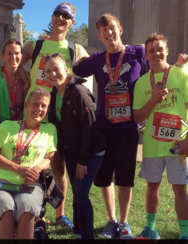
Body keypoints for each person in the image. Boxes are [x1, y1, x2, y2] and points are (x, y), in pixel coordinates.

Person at [73, 13, 150, 239]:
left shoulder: (138, 52)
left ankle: (125, 222)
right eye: (104, 30)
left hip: (128, 127)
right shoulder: (97, 58)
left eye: (112, 28)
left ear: (120, 29)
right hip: (104, 127)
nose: (109, 33)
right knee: (105, 177)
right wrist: (77, 49)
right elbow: (76, 70)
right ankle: (112, 220)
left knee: (125, 176)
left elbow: (156, 66)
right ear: (99, 35)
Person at [21, 2, 89, 229]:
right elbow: (11, 65)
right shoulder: (34, 45)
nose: (60, 18)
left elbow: (97, 70)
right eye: (57, 14)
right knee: (31, 165)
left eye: (65, 15)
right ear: (52, 17)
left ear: (72, 22)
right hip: (33, 115)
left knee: (58, 169)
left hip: (61, 118)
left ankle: (60, 214)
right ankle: (36, 214)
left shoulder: (76, 49)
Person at [0, 88, 57, 239]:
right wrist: (18, 169)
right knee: (5, 207)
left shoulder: (49, 129)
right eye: (35, 104)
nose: (39, 109)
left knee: (28, 208)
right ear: (26, 105)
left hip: (29, 183)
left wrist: (36, 169)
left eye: (43, 106)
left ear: (48, 109)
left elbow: (48, 158)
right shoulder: (7, 126)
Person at [133, 33, 188, 239]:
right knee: (152, 188)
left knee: (180, 189)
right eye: (151, 51)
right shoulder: (141, 83)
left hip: (178, 143)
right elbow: (137, 116)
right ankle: (151, 228)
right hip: (153, 144)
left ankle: (184, 233)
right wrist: (152, 102)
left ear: (167, 50)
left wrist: (187, 139)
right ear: (146, 55)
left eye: (160, 49)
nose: (156, 53)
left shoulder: (181, 74)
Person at [45, 53, 106, 239]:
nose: (53, 73)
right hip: (71, 151)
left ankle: (87, 236)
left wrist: (83, 160)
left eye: (56, 68)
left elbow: (91, 127)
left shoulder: (79, 91)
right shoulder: (55, 93)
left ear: (66, 69)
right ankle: (79, 232)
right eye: (48, 71)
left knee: (80, 193)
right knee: (76, 189)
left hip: (91, 150)